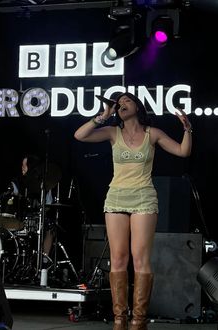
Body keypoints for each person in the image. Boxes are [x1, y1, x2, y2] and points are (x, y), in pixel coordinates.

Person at [74, 92, 192, 330]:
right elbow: (79, 135)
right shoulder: (112, 132)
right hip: (116, 196)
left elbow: (182, 151)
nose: (121, 104)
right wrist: (102, 116)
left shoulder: (152, 133)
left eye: (126, 100)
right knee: (118, 259)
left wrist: (188, 130)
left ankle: (139, 320)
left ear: (137, 106)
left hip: (143, 198)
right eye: (119, 103)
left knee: (140, 260)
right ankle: (120, 319)